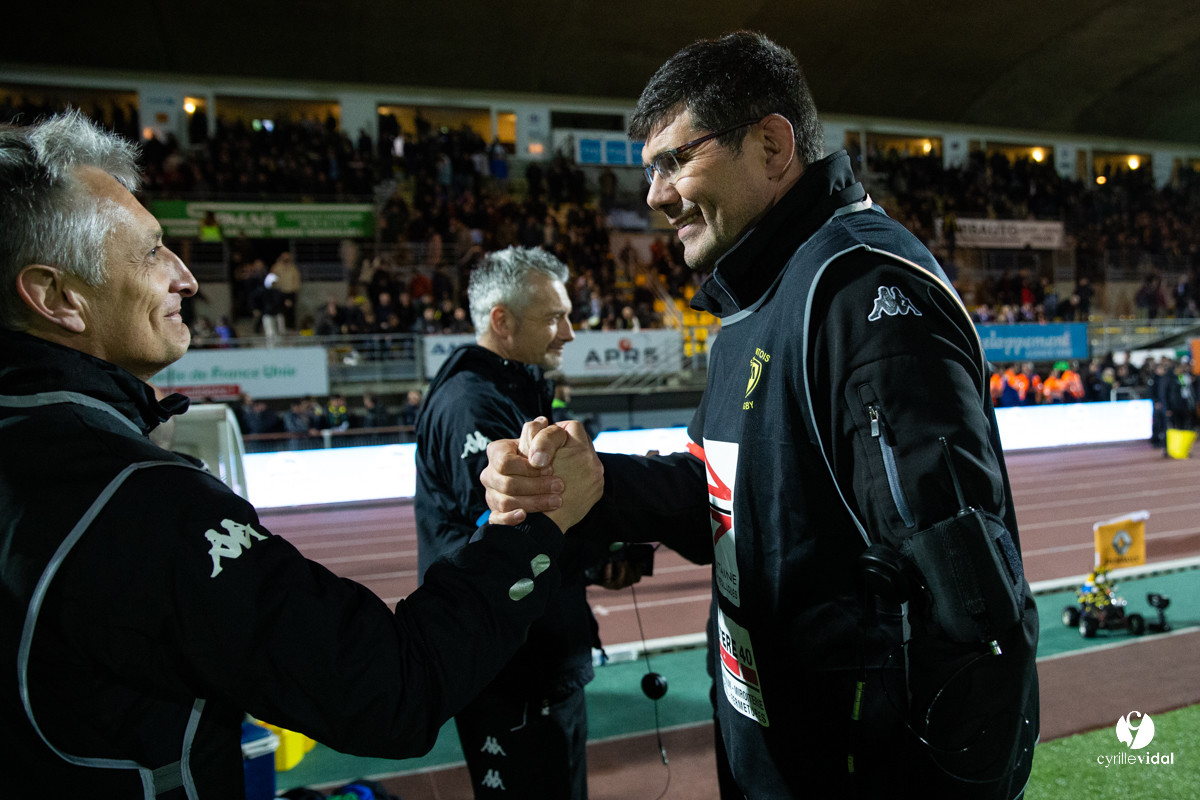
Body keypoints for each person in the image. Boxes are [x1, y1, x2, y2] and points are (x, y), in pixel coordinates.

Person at [480, 32, 1038, 799]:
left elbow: (964, 593)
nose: (654, 194)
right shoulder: (760, 295)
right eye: (651, 169)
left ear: (772, 145)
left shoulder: (858, 294)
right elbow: (732, 493)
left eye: (677, 159)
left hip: (851, 771)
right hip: (772, 750)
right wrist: (596, 485)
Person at [0, 110, 601, 798]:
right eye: (150, 250)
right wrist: (543, 527)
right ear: (55, 296)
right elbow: (386, 690)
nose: (186, 277)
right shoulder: (135, 499)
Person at [414, 246, 636, 799]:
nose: (569, 332)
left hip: (532, 657)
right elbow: (512, 532)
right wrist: (605, 546)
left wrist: (596, 561)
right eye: (554, 318)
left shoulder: (513, 389)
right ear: (502, 321)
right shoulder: (473, 406)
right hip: (509, 671)